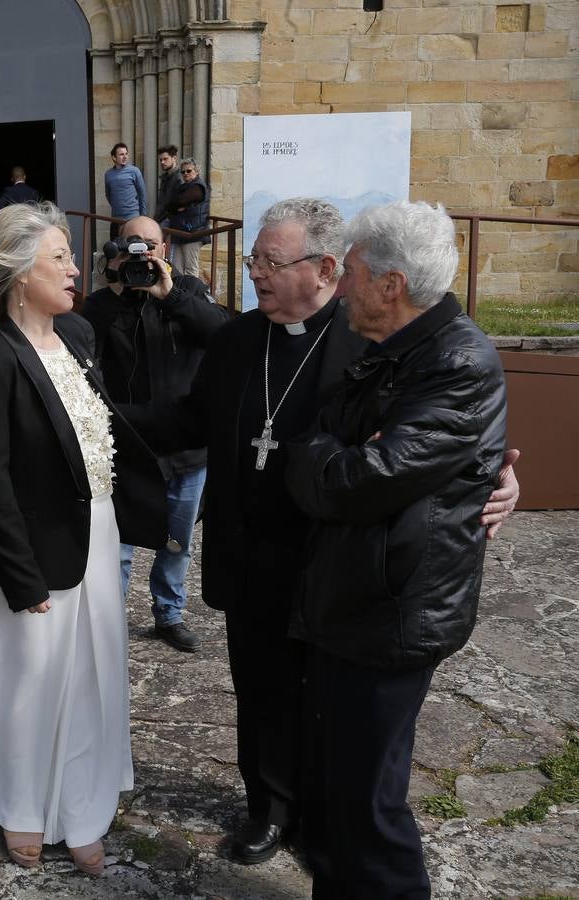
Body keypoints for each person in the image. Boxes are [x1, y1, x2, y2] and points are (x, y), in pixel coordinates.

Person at [125, 196, 519, 867]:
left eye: (269, 262)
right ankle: (268, 808)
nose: (255, 274)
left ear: (324, 269)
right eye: (253, 260)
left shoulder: (369, 340)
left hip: (330, 565)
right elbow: (191, 419)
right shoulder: (237, 340)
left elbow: (439, 439)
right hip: (249, 555)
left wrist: (499, 480)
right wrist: (95, 421)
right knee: (262, 692)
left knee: (326, 708)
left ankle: (320, 816)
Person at [285, 201, 508, 897]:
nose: (340, 285)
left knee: (370, 807)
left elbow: (357, 482)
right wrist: (334, 456)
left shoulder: (457, 362)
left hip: (392, 612)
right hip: (352, 601)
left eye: (350, 272)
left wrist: (336, 459)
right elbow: (322, 441)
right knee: (332, 796)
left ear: (391, 284)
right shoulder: (392, 349)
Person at [0, 202, 166, 875]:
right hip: (34, 551)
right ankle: (21, 806)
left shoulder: (75, 337)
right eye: (59, 258)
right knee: (29, 683)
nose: (76, 269)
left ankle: (81, 805)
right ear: (20, 274)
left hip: (97, 534)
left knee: (92, 675)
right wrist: (17, 571)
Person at [81, 215, 227, 652]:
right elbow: (86, 363)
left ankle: (169, 613)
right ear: (117, 250)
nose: (141, 252)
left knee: (177, 542)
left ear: (164, 249)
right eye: (131, 244)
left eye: (149, 244)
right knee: (118, 544)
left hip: (186, 448)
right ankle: (110, 620)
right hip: (127, 445)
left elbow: (221, 336)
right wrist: (115, 290)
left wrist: (170, 295)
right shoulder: (104, 304)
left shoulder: (190, 292)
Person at [163, 158, 210, 276]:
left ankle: (192, 294)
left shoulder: (198, 186)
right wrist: (176, 207)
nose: (185, 174)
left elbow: (180, 200)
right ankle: (181, 293)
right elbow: (170, 204)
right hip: (181, 232)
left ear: (197, 171)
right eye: (183, 172)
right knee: (177, 269)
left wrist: (176, 206)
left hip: (193, 233)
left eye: (189, 171)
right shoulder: (184, 187)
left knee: (190, 269)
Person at [103, 142, 147, 241]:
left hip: (133, 218)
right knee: (115, 250)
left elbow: (142, 194)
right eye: (121, 154)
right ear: (114, 157)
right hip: (115, 219)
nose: (125, 157)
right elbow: (108, 194)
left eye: (126, 154)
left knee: (133, 249)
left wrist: (142, 217)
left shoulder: (134, 171)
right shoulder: (108, 174)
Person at [153, 144, 181, 222]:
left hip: (171, 221)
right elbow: (162, 202)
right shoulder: (165, 177)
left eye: (165, 159)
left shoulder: (179, 178)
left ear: (174, 158)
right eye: (160, 160)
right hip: (161, 218)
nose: (162, 162)